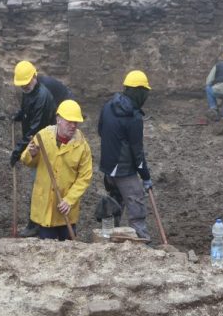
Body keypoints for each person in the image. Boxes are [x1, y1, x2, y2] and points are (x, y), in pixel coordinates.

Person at [21, 99, 93, 241]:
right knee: (47, 250)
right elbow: (27, 161)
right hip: (46, 205)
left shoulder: (82, 146)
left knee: (68, 250)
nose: (73, 126)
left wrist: (69, 200)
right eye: (69, 122)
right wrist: (32, 154)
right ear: (58, 119)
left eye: (76, 123)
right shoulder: (43, 136)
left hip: (65, 208)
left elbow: (85, 177)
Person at [98, 70, 153, 241]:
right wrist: (145, 177)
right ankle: (141, 239)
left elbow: (100, 130)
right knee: (136, 200)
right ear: (138, 92)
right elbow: (137, 152)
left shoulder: (108, 106)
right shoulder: (134, 117)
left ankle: (109, 236)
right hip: (123, 169)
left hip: (108, 166)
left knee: (115, 199)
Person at [11, 60, 58, 237]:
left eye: (26, 84)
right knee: (38, 184)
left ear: (34, 77)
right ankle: (39, 221)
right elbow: (27, 109)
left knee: (39, 186)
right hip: (36, 140)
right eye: (21, 85)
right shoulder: (29, 91)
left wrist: (18, 151)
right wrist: (21, 115)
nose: (24, 87)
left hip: (44, 144)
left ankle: (35, 225)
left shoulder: (42, 98)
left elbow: (34, 129)